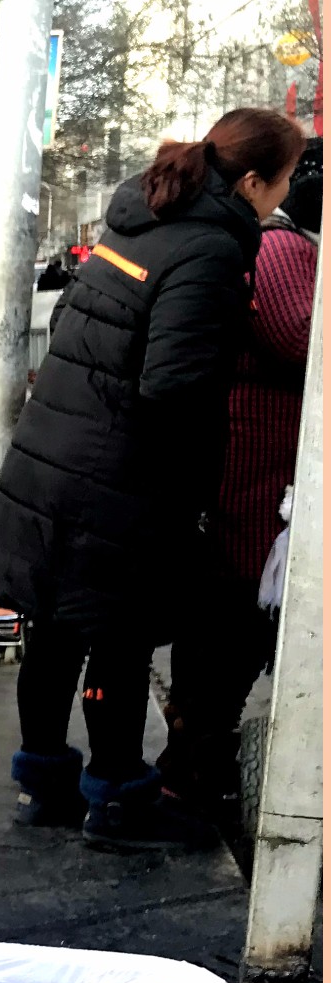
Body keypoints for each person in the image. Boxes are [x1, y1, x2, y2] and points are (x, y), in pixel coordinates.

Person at [0, 107, 304, 851]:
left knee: (52, 632)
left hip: (54, 451)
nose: (282, 200)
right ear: (252, 181)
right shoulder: (213, 248)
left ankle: (43, 786)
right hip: (119, 476)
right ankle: (118, 800)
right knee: (116, 641)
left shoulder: (141, 213)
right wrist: (197, 487)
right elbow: (176, 386)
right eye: (281, 183)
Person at [160, 135, 322, 818]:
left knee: (224, 632)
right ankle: (194, 773)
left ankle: (194, 765)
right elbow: (300, 336)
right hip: (253, 478)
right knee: (232, 630)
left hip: (253, 472)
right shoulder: (287, 250)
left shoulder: (282, 245)